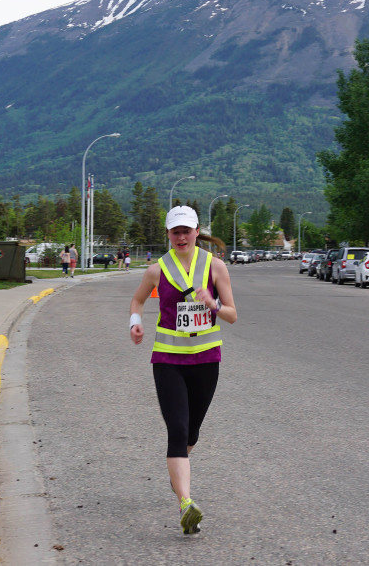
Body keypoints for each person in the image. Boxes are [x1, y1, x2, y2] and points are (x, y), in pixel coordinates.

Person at [129, 206, 238, 535]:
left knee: (191, 434)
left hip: (206, 360)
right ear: (168, 234)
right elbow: (137, 303)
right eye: (175, 232)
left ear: (196, 231)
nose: (181, 237)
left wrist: (213, 304)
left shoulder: (215, 266)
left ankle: (178, 472)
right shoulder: (156, 271)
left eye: (186, 231)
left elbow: (232, 314)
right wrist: (136, 324)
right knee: (177, 432)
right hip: (168, 361)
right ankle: (186, 504)